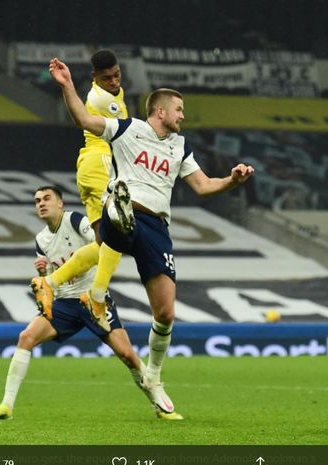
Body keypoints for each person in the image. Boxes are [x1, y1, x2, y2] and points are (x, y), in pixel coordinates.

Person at [48, 57, 255, 408]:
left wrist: (232, 181)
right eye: (179, 109)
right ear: (159, 112)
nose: (183, 116)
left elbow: (204, 187)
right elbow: (83, 119)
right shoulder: (127, 129)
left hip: (157, 227)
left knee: (166, 313)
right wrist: (68, 85)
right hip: (125, 213)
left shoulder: (180, 146)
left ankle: (154, 377)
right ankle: (98, 287)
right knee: (116, 209)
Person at [0, 185, 182, 420]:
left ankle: (159, 405)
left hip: (92, 300)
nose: (41, 204)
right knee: (26, 337)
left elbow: (103, 246)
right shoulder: (41, 239)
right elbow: (51, 273)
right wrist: (44, 269)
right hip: (65, 303)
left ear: (61, 203)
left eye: (47, 199)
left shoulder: (76, 221)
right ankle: (6, 406)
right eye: (37, 201)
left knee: (127, 354)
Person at [30, 50, 127, 331]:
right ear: (95, 78)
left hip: (91, 167)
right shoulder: (102, 99)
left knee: (102, 243)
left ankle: (51, 283)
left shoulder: (114, 94)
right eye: (106, 77)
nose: (113, 81)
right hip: (101, 165)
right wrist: (67, 86)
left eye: (116, 75)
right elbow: (83, 119)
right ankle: (94, 296)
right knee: (119, 236)